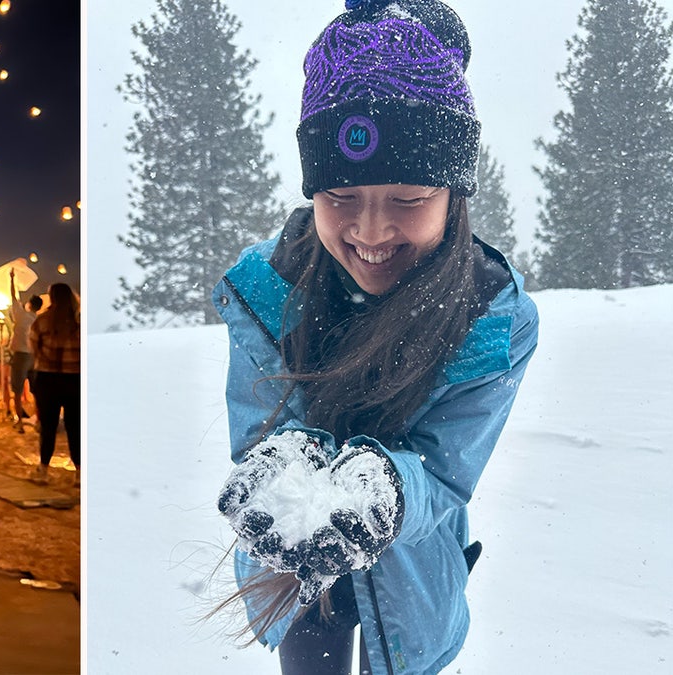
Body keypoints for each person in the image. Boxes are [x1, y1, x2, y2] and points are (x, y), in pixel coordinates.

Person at [211, 3, 540, 674]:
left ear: (454, 192)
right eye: (341, 195)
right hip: (298, 586)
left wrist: (390, 487)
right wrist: (273, 466)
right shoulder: (266, 291)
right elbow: (257, 427)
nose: (370, 230)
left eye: (408, 198)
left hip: (416, 580)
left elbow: (446, 472)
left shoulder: (491, 319)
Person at [28, 282, 80, 487]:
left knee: (48, 427)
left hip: (48, 379)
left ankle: (43, 470)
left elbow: (34, 348)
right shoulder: (79, 322)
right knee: (75, 427)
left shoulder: (42, 321)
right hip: (75, 379)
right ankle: (79, 473)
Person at [9, 268, 42, 426]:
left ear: (29, 304)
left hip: (20, 356)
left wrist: (12, 279)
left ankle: (20, 421)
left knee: (17, 389)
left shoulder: (21, 315)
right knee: (36, 391)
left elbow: (13, 297)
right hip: (34, 357)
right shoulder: (39, 320)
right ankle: (38, 419)